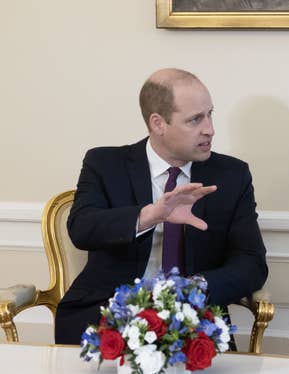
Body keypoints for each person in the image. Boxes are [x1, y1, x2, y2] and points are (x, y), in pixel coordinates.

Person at [55, 68, 268, 345]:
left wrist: (195, 289)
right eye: (195, 120)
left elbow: (251, 263)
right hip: (108, 317)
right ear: (158, 123)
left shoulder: (231, 175)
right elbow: (82, 228)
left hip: (194, 323)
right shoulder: (105, 164)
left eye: (210, 114)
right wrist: (152, 215)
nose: (210, 129)